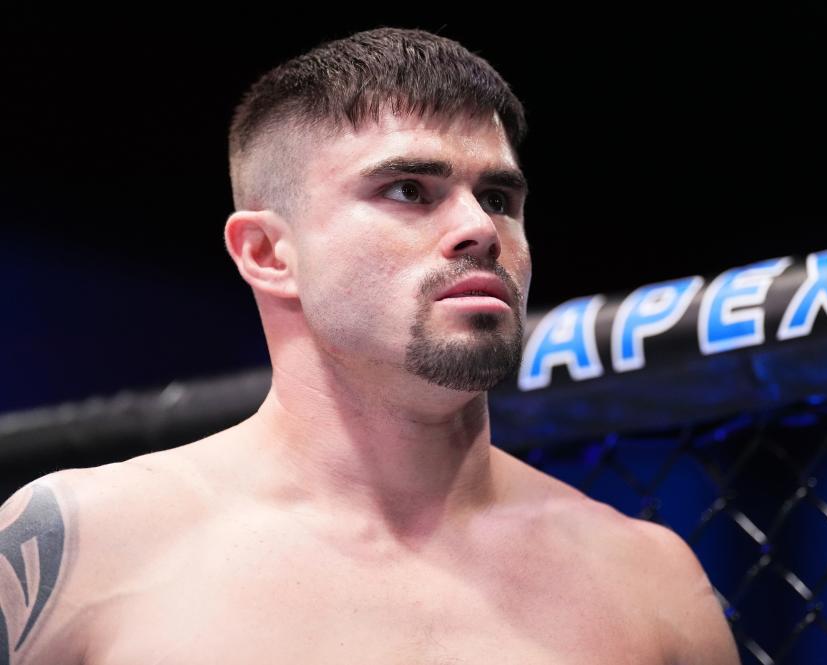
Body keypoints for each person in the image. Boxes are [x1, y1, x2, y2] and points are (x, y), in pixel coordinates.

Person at [0, 27, 741, 664]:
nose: (480, 227)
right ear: (267, 252)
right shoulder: (78, 546)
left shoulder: (650, 582)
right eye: (411, 190)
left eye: (500, 197)